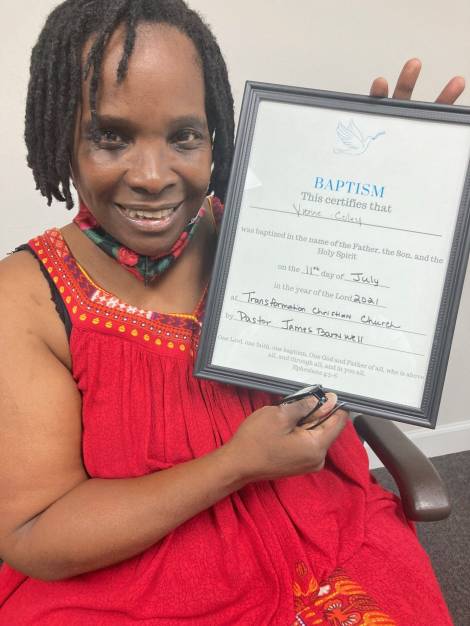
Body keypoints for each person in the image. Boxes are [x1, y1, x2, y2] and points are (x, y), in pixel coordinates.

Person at [0, 1, 464, 624]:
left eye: (184, 137)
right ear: (62, 137)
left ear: (214, 136)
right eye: (111, 137)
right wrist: (236, 466)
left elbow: (369, 316)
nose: (152, 176)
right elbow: (34, 532)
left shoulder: (271, 228)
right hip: (133, 577)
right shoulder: (25, 297)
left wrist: (395, 195)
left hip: (324, 528)